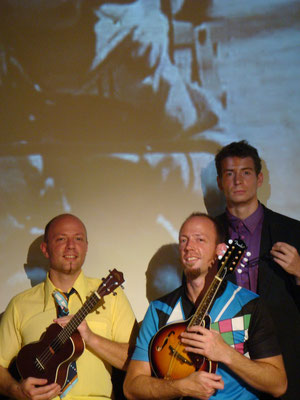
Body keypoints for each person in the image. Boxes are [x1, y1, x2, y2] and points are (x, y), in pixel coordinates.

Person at [123, 213, 287, 400]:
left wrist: (226, 354)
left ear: (220, 250)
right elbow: (132, 387)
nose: (189, 247)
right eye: (183, 240)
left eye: (200, 239)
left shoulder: (249, 304)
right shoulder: (159, 309)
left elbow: (278, 384)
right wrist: (180, 387)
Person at [0, 213, 137, 400]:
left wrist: (91, 338)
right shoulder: (19, 305)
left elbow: (135, 362)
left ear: (86, 247)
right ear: (45, 249)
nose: (71, 245)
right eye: (61, 239)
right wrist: (16, 391)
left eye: (78, 238)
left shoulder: (112, 297)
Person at [214, 140, 300, 400]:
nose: (238, 181)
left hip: (286, 362)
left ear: (259, 178)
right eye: (230, 174)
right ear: (220, 182)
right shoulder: (205, 234)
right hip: (222, 371)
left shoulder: (293, 231)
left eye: (246, 172)